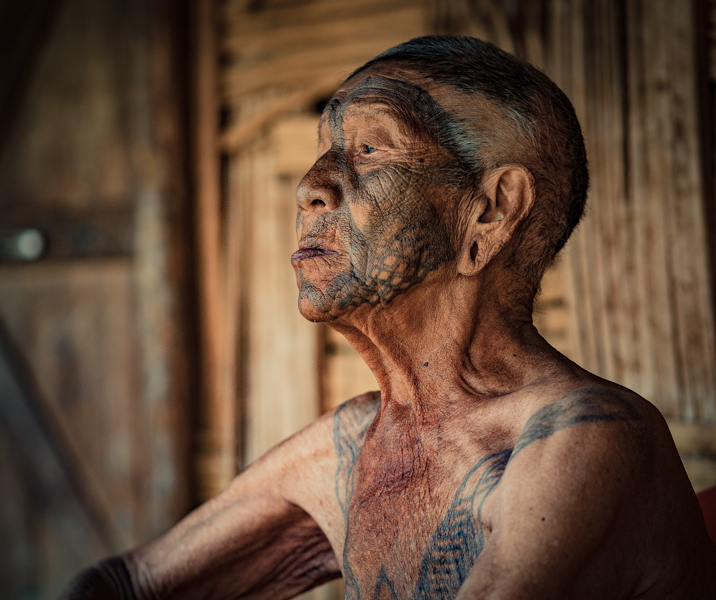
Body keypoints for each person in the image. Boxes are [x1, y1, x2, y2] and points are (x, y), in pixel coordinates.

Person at [61, 35, 716, 599]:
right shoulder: (353, 445)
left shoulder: (583, 440)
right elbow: (123, 586)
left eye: (370, 148)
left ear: (489, 212)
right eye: (324, 148)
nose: (310, 185)